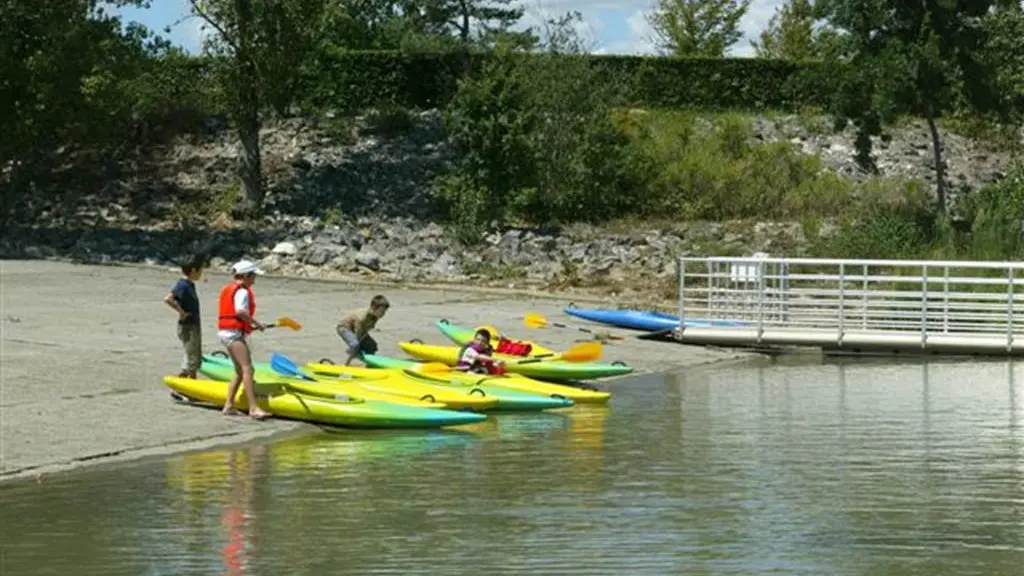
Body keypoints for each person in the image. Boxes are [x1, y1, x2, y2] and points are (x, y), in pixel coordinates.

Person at [217, 259, 271, 420]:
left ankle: (229, 405)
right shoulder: (242, 291)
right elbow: (240, 312)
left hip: (226, 332)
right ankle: (253, 408)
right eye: (253, 275)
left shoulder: (229, 288)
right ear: (246, 275)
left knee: (240, 371)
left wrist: (247, 325)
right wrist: (256, 323)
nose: (255, 279)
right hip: (233, 334)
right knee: (248, 369)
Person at [163, 255, 204, 380]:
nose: (201, 274)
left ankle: (189, 385)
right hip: (188, 326)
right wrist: (181, 312)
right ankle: (186, 387)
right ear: (193, 271)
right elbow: (168, 298)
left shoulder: (189, 284)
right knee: (192, 357)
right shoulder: (183, 285)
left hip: (193, 324)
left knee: (194, 356)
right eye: (200, 271)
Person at [336, 295, 390, 366]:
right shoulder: (362, 317)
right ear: (374, 308)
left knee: (372, 345)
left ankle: (369, 365)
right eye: (382, 311)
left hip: (359, 329)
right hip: (344, 328)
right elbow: (358, 335)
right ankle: (345, 365)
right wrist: (356, 350)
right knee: (355, 345)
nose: (383, 314)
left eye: (384, 312)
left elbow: (366, 331)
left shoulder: (375, 317)